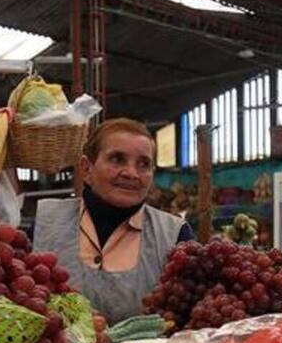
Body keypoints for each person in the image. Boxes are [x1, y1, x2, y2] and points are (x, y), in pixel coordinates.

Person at [33, 118, 195, 324]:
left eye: (144, 164)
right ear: (86, 168)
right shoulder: (45, 222)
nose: (131, 173)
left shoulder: (175, 235)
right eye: (117, 159)